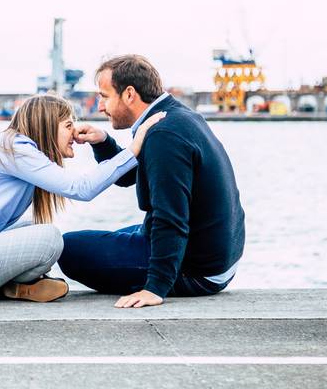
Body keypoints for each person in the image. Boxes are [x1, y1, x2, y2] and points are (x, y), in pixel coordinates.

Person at [0, 94, 164, 303]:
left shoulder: (10, 146)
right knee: (49, 238)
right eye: (68, 126)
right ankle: (11, 286)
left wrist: (101, 141)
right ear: (47, 126)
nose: (74, 133)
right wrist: (134, 146)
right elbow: (82, 189)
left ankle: (13, 287)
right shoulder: (15, 150)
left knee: (30, 229)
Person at [59, 55, 245, 308]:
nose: (100, 106)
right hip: (217, 257)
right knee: (103, 238)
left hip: (197, 271)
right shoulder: (175, 116)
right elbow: (129, 177)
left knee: (67, 248)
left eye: (104, 96)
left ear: (129, 94)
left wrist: (155, 287)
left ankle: (160, 275)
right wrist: (103, 141)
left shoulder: (163, 135)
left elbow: (171, 215)